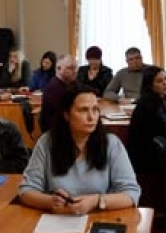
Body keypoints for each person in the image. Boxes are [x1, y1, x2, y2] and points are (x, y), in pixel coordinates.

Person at [19, 85, 141, 213]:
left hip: (100, 216)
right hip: (59, 217)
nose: (91, 117)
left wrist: (96, 201)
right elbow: (26, 191)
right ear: (66, 115)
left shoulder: (111, 144)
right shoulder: (47, 142)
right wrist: (50, 202)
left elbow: (131, 193)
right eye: (83, 110)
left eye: (95, 110)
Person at [39, 55, 78, 133]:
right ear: (58, 69)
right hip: (57, 133)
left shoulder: (70, 83)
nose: (75, 71)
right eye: (70, 68)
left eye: (76, 68)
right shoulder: (54, 89)